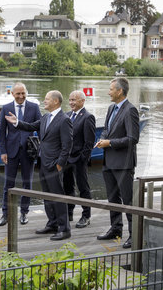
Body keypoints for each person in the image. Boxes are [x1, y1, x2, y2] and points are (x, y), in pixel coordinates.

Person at [5, 90, 73, 241]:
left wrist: (60, 164)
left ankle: (64, 228)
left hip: (55, 165)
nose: (44, 101)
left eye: (47, 99)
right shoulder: (46, 117)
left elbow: (67, 145)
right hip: (43, 162)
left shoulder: (64, 119)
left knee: (57, 196)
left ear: (56, 101)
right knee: (47, 195)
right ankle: (52, 223)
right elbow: (31, 126)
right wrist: (16, 122)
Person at [95, 77, 139, 249]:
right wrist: (103, 139)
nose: (109, 92)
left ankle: (134, 235)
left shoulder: (130, 110)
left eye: (111, 89)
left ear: (120, 91)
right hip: (108, 161)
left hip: (123, 163)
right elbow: (107, 129)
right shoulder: (111, 108)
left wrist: (110, 143)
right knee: (112, 199)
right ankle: (116, 229)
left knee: (128, 201)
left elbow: (133, 138)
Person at [0, 82, 42, 227]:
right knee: (8, 184)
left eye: (23, 93)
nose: (21, 96)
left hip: (28, 151)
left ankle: (24, 212)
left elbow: (40, 127)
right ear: (12, 94)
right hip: (11, 151)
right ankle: (6, 213)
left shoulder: (34, 107)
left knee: (26, 183)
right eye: (18, 94)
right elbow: (2, 132)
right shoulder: (6, 108)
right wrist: (3, 151)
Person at [63, 90, 96, 228]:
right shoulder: (67, 115)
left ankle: (86, 215)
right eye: (70, 100)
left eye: (74, 100)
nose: (71, 103)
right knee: (67, 186)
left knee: (83, 187)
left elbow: (89, 142)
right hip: (66, 159)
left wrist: (83, 159)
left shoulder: (88, 117)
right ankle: (69, 212)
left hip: (79, 160)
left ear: (82, 101)